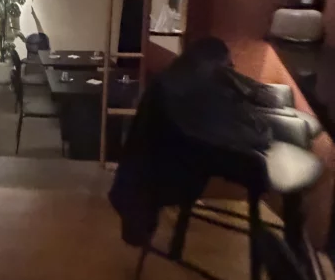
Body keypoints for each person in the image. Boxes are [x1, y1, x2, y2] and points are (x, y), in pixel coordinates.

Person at [109, 37, 319, 247]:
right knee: (293, 136)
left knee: (292, 129)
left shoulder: (175, 81)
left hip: (177, 155)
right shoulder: (191, 91)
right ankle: (294, 244)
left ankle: (294, 238)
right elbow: (243, 132)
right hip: (184, 162)